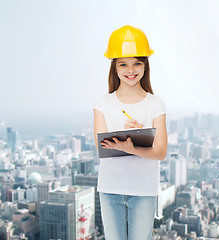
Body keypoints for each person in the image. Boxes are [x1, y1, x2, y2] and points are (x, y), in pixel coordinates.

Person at [93, 25, 167, 240]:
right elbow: (102, 146)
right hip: (110, 188)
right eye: (123, 64)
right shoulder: (102, 103)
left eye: (137, 63)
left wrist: (131, 146)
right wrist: (129, 139)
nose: (130, 70)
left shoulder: (155, 104)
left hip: (143, 190)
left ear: (145, 66)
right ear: (114, 67)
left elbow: (160, 152)